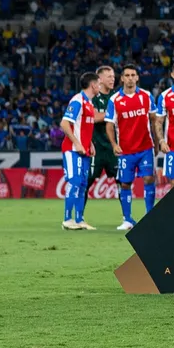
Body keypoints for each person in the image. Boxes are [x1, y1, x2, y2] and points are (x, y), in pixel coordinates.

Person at [105, 65, 157, 230]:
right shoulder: (114, 100)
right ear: (122, 78)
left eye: (133, 75)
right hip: (125, 150)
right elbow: (109, 125)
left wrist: (156, 141)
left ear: (137, 77)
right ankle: (127, 219)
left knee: (149, 178)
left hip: (145, 147)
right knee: (125, 183)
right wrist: (114, 144)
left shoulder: (146, 96)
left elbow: (154, 120)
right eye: (126, 75)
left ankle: (150, 215)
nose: (129, 78)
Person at [60, 73, 100, 230]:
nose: (99, 86)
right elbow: (64, 123)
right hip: (72, 150)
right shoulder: (78, 100)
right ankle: (67, 219)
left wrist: (90, 143)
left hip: (84, 150)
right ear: (92, 85)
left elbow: (82, 127)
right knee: (75, 181)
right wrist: (77, 143)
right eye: (98, 83)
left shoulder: (89, 103)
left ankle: (79, 219)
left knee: (83, 184)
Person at [83, 66, 117, 217]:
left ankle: (126, 218)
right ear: (100, 79)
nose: (112, 79)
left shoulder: (117, 96)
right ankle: (79, 216)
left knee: (122, 182)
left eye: (113, 76)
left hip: (113, 148)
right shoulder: (92, 98)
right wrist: (113, 114)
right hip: (95, 147)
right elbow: (93, 117)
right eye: (109, 76)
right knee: (86, 182)